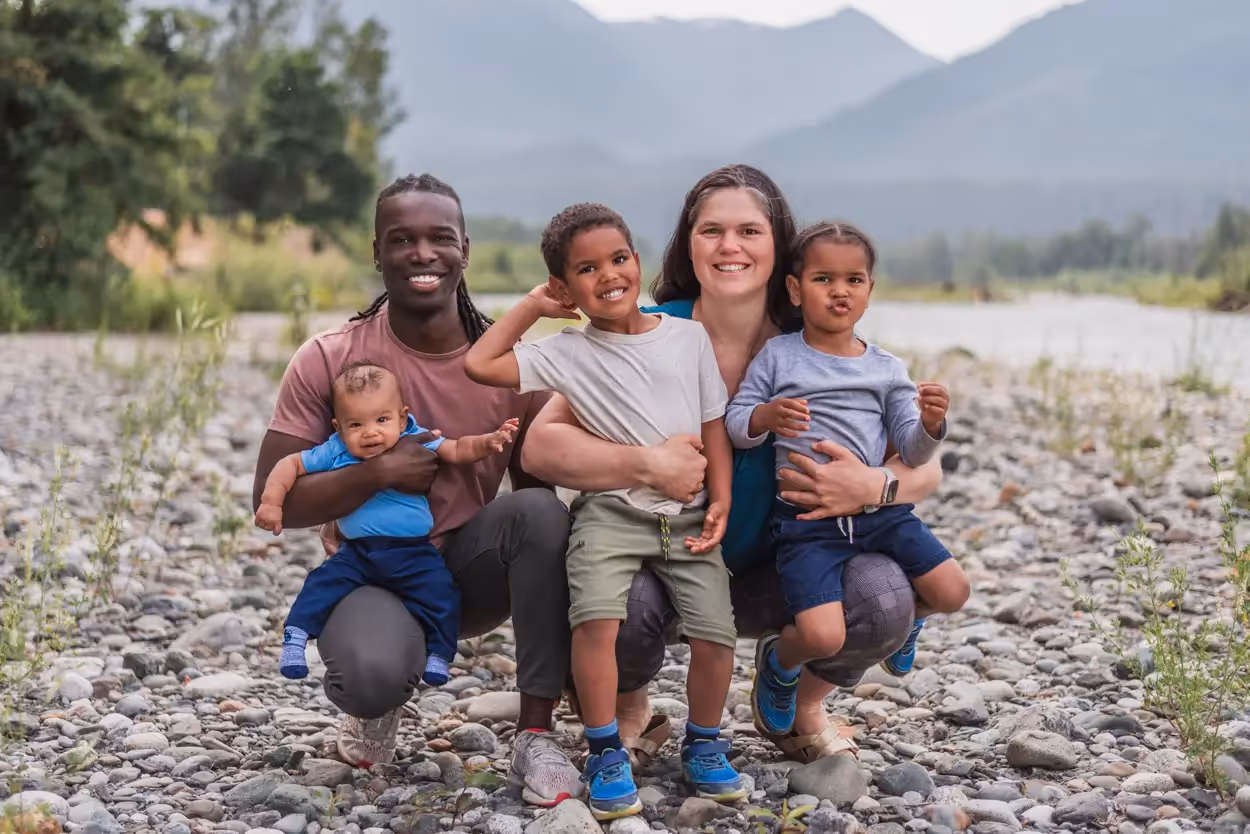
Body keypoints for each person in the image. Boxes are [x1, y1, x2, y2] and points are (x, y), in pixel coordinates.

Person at [520, 164, 945, 766]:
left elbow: (926, 470)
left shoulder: (816, 341)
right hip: (669, 557)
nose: (729, 247)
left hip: (789, 567)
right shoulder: (646, 330)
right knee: (623, 606)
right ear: (685, 244)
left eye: (750, 231)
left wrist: (875, 484)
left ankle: (801, 704)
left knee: (883, 600)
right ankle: (631, 710)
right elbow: (540, 445)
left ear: (780, 248)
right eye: (711, 231)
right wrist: (645, 464)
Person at [251, 173, 584, 807]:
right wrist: (378, 473)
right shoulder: (329, 359)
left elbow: (540, 521)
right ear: (376, 252)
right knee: (370, 676)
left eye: (440, 238)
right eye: (402, 239)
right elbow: (275, 500)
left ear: (466, 249)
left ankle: (537, 732)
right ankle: (374, 709)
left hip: (466, 570)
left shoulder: (514, 364)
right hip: (371, 571)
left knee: (542, 512)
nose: (422, 254)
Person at [465, 203, 745, 820]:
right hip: (609, 515)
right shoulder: (566, 351)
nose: (609, 275)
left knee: (715, 633)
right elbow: (480, 364)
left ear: (637, 262)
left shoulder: (687, 338)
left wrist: (721, 497)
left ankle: (703, 743)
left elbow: (713, 425)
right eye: (587, 269)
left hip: (689, 513)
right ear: (567, 287)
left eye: (619, 259)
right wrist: (535, 306)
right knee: (595, 622)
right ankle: (603, 749)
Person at [724, 221, 969, 737]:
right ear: (795, 289)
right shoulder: (779, 356)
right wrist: (765, 417)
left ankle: (908, 622)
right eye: (823, 279)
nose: (840, 291)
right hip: (805, 522)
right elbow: (736, 424)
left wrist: (930, 424)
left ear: (869, 291)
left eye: (854, 280)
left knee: (952, 591)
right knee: (821, 634)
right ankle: (780, 663)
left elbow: (913, 449)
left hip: (880, 515)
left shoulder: (886, 368)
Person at [254, 360, 520, 685]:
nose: (371, 432)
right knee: (320, 584)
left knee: (441, 594)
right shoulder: (336, 451)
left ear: (402, 418)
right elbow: (291, 464)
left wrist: (488, 442)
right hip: (358, 553)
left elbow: (457, 448)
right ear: (339, 428)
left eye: (382, 419)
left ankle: (438, 652)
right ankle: (295, 638)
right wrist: (271, 501)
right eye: (356, 425)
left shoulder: (415, 438)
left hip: (413, 552)